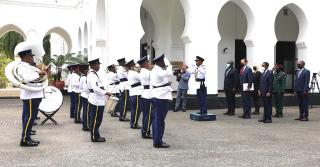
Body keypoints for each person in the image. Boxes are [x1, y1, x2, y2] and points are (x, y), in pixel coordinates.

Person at [16, 47, 47, 147]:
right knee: (29, 118)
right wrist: (39, 73)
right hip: (30, 96)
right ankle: (25, 139)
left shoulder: (28, 66)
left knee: (29, 117)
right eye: (30, 56)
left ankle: (27, 137)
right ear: (25, 56)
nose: (31, 58)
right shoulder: (22, 67)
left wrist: (40, 73)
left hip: (33, 95)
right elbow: (27, 78)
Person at [150, 54, 173, 148]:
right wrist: (169, 65)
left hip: (158, 96)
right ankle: (158, 142)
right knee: (159, 120)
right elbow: (169, 73)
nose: (164, 63)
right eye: (163, 61)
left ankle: (156, 139)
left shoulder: (156, 70)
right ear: (160, 62)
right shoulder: (158, 70)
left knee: (156, 119)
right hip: (161, 98)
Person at [87, 58, 111, 142]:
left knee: (97, 119)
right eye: (97, 64)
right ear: (92, 65)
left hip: (97, 99)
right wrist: (106, 92)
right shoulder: (92, 75)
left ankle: (96, 135)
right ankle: (94, 137)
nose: (99, 66)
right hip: (95, 100)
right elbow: (96, 88)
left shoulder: (93, 74)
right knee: (95, 120)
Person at [138, 56, 153, 139]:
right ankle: (146, 132)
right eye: (148, 62)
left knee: (145, 115)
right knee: (149, 115)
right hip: (149, 95)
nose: (149, 63)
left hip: (144, 94)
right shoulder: (147, 72)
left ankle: (144, 131)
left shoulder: (142, 71)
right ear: (144, 63)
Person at [127, 60, 144, 129]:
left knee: (134, 109)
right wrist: (141, 70)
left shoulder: (131, 72)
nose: (135, 65)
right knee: (137, 109)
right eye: (134, 64)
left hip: (134, 93)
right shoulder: (134, 73)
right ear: (131, 65)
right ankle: (134, 124)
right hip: (136, 93)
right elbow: (142, 78)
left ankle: (133, 123)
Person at [79, 64, 90, 131]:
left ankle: (85, 125)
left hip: (83, 95)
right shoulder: (85, 78)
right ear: (85, 70)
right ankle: (86, 126)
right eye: (87, 69)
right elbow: (86, 89)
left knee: (85, 111)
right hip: (86, 96)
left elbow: (80, 87)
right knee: (87, 112)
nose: (88, 70)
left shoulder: (82, 77)